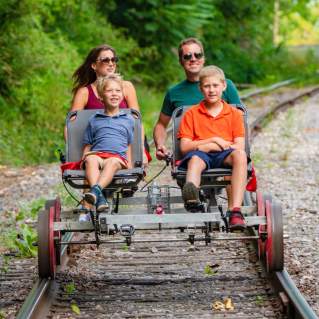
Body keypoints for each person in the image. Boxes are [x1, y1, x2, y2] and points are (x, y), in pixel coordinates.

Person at [177, 65, 247, 231]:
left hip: (226, 154)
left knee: (240, 156)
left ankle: (235, 210)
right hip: (201, 153)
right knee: (194, 160)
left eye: (215, 86)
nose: (211, 90)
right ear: (201, 89)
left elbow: (239, 145)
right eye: (207, 86)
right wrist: (211, 142)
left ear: (224, 86)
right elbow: (185, 146)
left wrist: (216, 145)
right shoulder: (192, 114)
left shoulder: (234, 113)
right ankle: (192, 195)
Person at [154, 37, 241, 160]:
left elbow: (240, 118)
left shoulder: (224, 85)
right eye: (187, 56)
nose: (193, 59)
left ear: (203, 59)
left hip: (225, 151)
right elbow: (161, 125)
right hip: (192, 152)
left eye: (198, 55)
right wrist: (160, 145)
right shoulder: (174, 93)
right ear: (180, 61)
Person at [82, 74, 134, 212]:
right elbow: (88, 144)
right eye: (109, 91)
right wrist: (85, 158)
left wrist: (130, 165)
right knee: (91, 159)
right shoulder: (94, 119)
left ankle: (96, 191)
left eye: (117, 91)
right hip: (98, 155)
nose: (114, 94)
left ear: (122, 95)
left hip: (117, 158)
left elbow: (128, 144)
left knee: (112, 162)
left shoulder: (128, 119)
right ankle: (99, 198)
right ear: (101, 97)